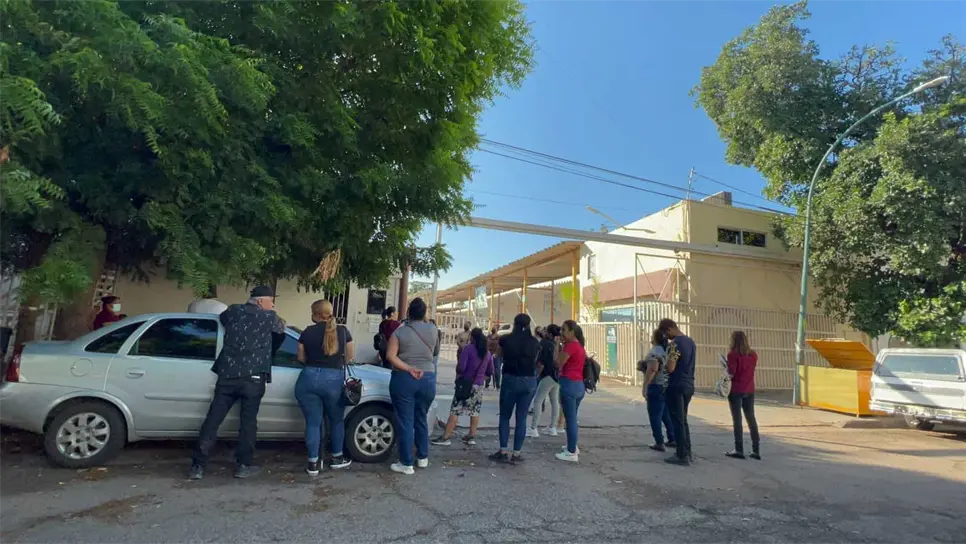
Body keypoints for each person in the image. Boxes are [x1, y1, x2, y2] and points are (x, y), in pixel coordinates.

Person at [189, 286, 286, 480]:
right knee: (248, 423)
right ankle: (243, 465)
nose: (273, 305)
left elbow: (223, 319)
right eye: (271, 300)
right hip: (254, 377)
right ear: (260, 301)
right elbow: (280, 334)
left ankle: (198, 466)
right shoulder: (271, 317)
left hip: (228, 374)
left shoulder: (233, 310)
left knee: (213, 419)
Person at [295, 300, 354, 475]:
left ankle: (313, 463)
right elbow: (349, 357)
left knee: (313, 423)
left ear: (317, 314)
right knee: (336, 420)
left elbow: (301, 358)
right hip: (333, 379)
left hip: (308, 378)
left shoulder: (307, 331)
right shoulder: (343, 331)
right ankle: (337, 458)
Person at [386, 297, 439, 475]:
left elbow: (391, 356)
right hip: (428, 378)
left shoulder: (400, 332)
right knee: (421, 418)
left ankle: (406, 463)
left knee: (405, 421)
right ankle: (422, 457)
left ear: (408, 312)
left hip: (405, 378)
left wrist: (409, 368)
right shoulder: (433, 329)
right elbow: (435, 352)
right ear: (424, 313)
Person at [489, 313, 539, 464]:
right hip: (529, 380)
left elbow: (497, 355)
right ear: (529, 325)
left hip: (510, 379)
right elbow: (536, 361)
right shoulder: (535, 342)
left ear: (514, 324)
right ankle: (516, 453)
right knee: (521, 417)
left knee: (505, 416)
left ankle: (503, 450)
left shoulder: (506, 339)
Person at [432, 327, 493, 447]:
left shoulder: (468, 349)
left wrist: (460, 373)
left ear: (472, 337)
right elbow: (490, 371)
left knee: (456, 410)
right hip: (478, 386)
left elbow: (461, 367)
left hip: (465, 384)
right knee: (475, 411)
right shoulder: (487, 353)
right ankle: (471, 436)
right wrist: (481, 378)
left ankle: (446, 437)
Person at [660, 318, 696, 466]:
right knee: (683, 420)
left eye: (665, 333)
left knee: (677, 421)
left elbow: (671, 368)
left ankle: (681, 455)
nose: (666, 337)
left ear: (669, 329)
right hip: (689, 384)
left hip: (676, 385)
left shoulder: (675, 344)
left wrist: (663, 364)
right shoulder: (690, 342)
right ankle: (687, 451)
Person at [555, 320, 587, 463]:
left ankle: (571, 452)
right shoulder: (579, 345)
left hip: (569, 384)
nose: (561, 332)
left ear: (571, 332)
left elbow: (558, 362)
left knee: (570, 419)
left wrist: (557, 346)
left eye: (564, 330)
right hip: (579, 385)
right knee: (572, 417)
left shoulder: (570, 346)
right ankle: (572, 445)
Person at [639, 328, 676, 452]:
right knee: (665, 414)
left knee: (654, 415)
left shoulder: (654, 352)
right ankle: (672, 438)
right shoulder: (667, 351)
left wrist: (645, 386)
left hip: (655, 385)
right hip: (665, 385)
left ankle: (659, 442)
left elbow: (653, 369)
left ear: (654, 338)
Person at [726, 330, 760, 460]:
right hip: (749, 389)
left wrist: (726, 367)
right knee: (751, 418)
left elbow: (732, 372)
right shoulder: (753, 355)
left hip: (736, 389)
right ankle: (756, 450)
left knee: (737, 419)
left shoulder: (732, 355)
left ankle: (739, 449)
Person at [527, 324, 561, 438]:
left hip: (547, 375)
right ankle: (552, 427)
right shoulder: (558, 344)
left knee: (538, 400)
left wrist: (537, 374)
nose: (544, 332)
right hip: (556, 376)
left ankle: (533, 428)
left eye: (546, 330)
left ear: (550, 334)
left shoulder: (544, 343)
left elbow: (541, 362)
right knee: (554, 401)